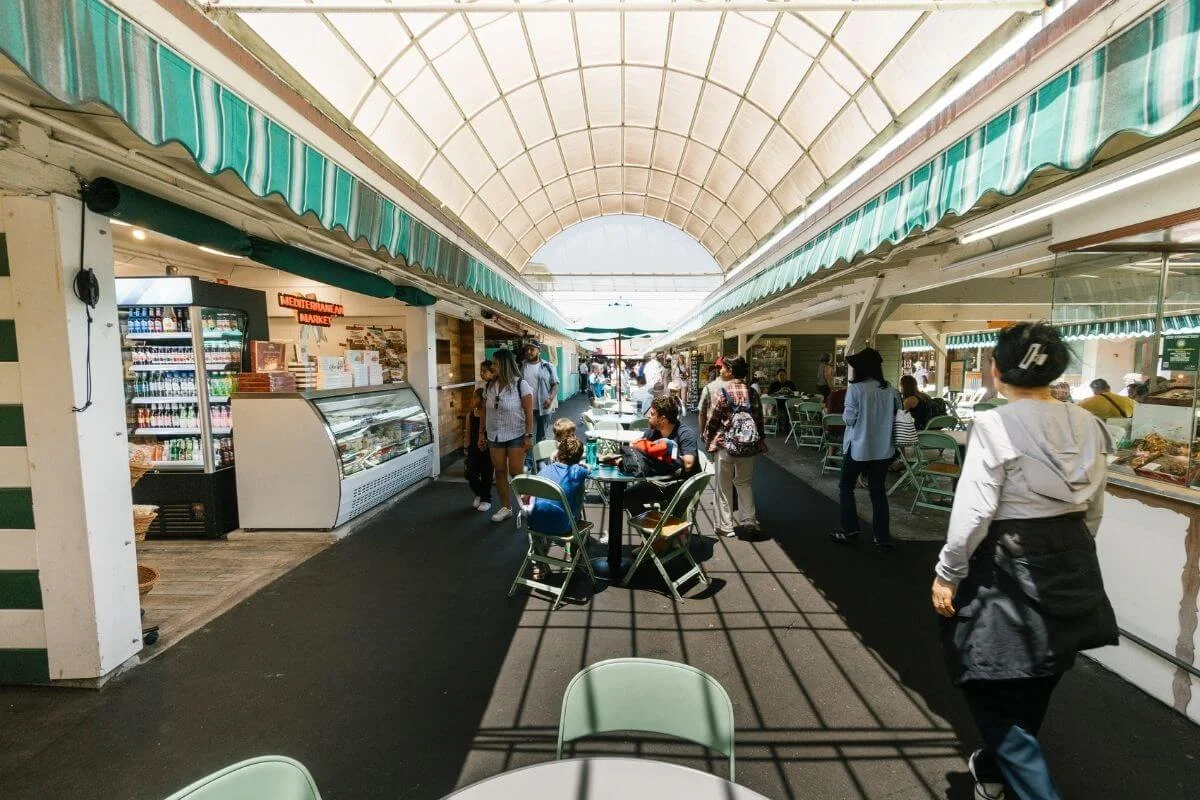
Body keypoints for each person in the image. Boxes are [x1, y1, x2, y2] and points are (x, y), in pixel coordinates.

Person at [931, 322, 1117, 800]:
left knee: (978, 667)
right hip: (1073, 552)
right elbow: (1094, 506)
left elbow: (974, 510)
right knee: (1044, 664)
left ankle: (1033, 788)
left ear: (996, 370)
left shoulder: (994, 423)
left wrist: (947, 573)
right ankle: (992, 770)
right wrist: (1072, 546)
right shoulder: (1089, 424)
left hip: (1007, 556)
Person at [831, 347, 898, 549]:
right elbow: (897, 415)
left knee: (846, 487)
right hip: (884, 448)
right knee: (878, 492)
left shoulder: (856, 390)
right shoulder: (890, 390)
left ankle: (850, 529)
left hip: (858, 447)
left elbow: (849, 419)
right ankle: (882, 537)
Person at [703, 355, 766, 537]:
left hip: (725, 445)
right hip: (748, 446)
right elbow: (759, 421)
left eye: (723, 368)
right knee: (744, 482)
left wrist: (708, 439)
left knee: (724, 486)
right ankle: (749, 520)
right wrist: (759, 440)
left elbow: (713, 420)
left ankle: (726, 526)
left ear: (730, 371)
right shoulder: (752, 392)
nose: (721, 370)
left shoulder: (722, 392)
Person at [621, 396, 701, 516]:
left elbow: (689, 464)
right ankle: (653, 530)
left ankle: (660, 528)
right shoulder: (653, 432)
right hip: (658, 482)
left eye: (652, 413)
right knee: (626, 496)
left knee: (673, 520)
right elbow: (636, 444)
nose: (648, 416)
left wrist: (665, 453)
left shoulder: (685, 433)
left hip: (679, 486)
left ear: (663, 418)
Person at [479, 348, 534, 523]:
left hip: (516, 434)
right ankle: (506, 507)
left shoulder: (521, 385)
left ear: (505, 364)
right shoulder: (489, 386)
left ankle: (527, 504)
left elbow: (528, 412)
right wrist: (481, 433)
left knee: (516, 472)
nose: (492, 366)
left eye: (495, 363)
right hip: (494, 435)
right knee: (500, 472)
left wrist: (528, 435)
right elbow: (484, 412)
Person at [463, 387, 494, 513]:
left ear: (482, 400)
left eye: (475, 397)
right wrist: (466, 449)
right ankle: (480, 494)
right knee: (470, 473)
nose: (472, 399)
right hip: (473, 449)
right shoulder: (470, 415)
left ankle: (486, 499)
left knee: (487, 474)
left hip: (488, 449)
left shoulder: (490, 416)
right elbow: (468, 434)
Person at [522, 342, 559, 445]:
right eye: (527, 349)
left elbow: (555, 386)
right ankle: (528, 460)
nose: (528, 352)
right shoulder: (521, 366)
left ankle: (540, 460)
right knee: (528, 436)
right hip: (526, 408)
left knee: (541, 437)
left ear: (539, 350)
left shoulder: (548, 366)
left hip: (544, 407)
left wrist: (550, 399)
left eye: (532, 349)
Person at [697, 358, 727, 435]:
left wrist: (702, 431)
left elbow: (702, 413)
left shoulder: (709, 387)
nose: (719, 369)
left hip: (714, 429)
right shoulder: (742, 388)